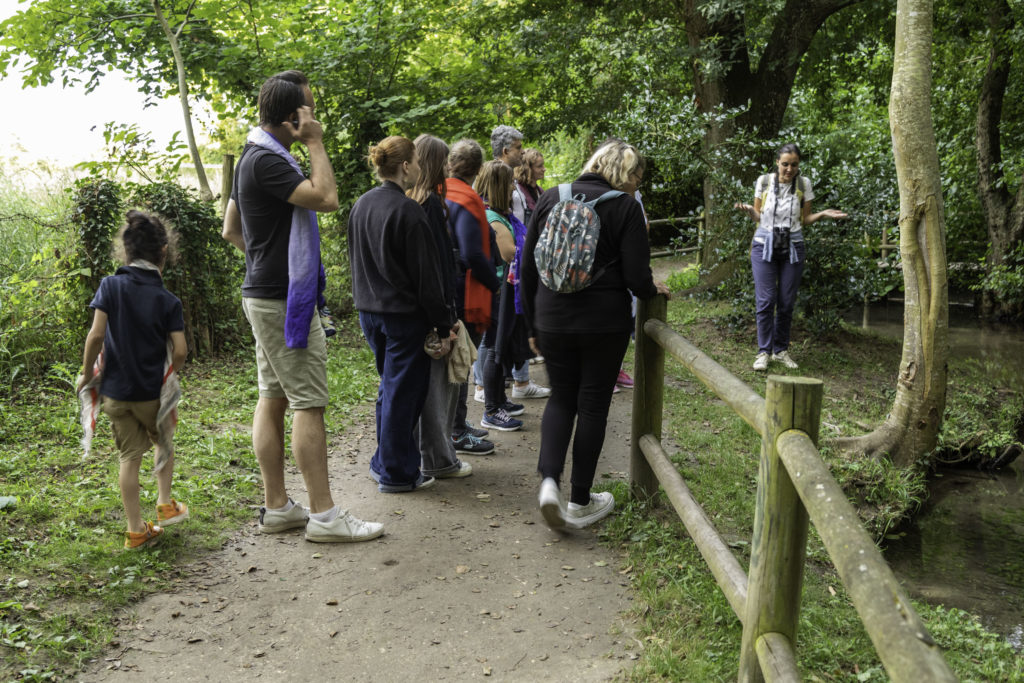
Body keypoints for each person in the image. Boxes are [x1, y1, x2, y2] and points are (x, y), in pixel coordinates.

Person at [222, 70, 383, 541]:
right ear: (294, 117)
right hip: (283, 301)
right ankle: (326, 516)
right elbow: (327, 198)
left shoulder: (253, 156)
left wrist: (265, 261)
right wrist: (315, 143)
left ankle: (278, 509)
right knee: (308, 403)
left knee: (272, 397)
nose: (313, 116)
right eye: (308, 110)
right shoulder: (271, 162)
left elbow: (231, 229)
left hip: (264, 294)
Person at [522, 139, 670, 530]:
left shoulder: (551, 196)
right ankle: (581, 501)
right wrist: (654, 290)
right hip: (604, 323)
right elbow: (638, 278)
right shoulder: (625, 207)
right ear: (627, 173)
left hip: (552, 318)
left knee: (561, 399)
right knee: (592, 406)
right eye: (637, 176)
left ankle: (550, 483)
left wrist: (531, 325)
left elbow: (528, 266)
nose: (638, 184)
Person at [348, 135, 459, 492]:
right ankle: (397, 473)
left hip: (369, 311)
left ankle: (385, 462)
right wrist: (443, 323)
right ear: (406, 165)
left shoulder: (362, 205)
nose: (421, 169)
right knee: (402, 393)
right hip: (402, 316)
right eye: (417, 161)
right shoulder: (407, 211)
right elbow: (427, 276)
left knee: (390, 387)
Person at [77, 210, 189, 550]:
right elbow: (180, 350)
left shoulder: (110, 286)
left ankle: (136, 531)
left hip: (114, 393)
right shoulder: (168, 300)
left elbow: (95, 337)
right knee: (163, 443)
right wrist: (171, 373)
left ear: (124, 253)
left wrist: (86, 373)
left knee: (129, 458)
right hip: (152, 394)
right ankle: (166, 503)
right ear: (164, 252)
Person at [735, 143, 848, 371]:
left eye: (794, 164)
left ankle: (780, 350)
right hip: (764, 245)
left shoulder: (803, 184)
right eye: (785, 164)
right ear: (777, 162)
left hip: (793, 246)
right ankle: (763, 352)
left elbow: (804, 219)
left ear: (798, 165)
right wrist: (749, 211)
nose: (789, 169)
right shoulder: (764, 181)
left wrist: (824, 214)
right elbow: (758, 217)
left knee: (786, 302)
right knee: (766, 300)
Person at [407, 134, 477, 477]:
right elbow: (434, 266)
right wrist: (446, 318)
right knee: (441, 388)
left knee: (422, 389)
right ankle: (440, 458)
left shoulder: (407, 200)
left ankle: (426, 455)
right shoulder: (431, 205)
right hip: (434, 309)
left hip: (412, 309)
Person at [445, 139, 502, 453]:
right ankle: (456, 431)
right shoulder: (466, 199)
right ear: (478, 169)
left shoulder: (439, 191)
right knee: (462, 360)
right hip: (464, 291)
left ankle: (458, 423)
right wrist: (494, 284)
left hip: (447, 287)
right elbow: (471, 253)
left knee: (458, 360)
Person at [488, 126, 549, 399]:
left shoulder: (510, 181)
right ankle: (492, 393)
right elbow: (504, 228)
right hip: (507, 269)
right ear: (505, 151)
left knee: (508, 332)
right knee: (496, 337)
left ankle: (513, 385)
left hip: (516, 267)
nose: (521, 152)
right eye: (518, 148)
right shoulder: (500, 181)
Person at [474, 160, 533, 431]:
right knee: (493, 347)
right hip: (497, 291)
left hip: (506, 291)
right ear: (499, 186)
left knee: (500, 346)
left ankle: (499, 400)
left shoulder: (500, 215)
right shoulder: (492, 219)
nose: (513, 187)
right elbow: (509, 254)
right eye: (509, 183)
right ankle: (491, 409)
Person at [514, 147, 546, 226]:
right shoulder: (516, 192)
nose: (544, 169)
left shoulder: (540, 192)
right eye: (539, 166)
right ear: (528, 169)